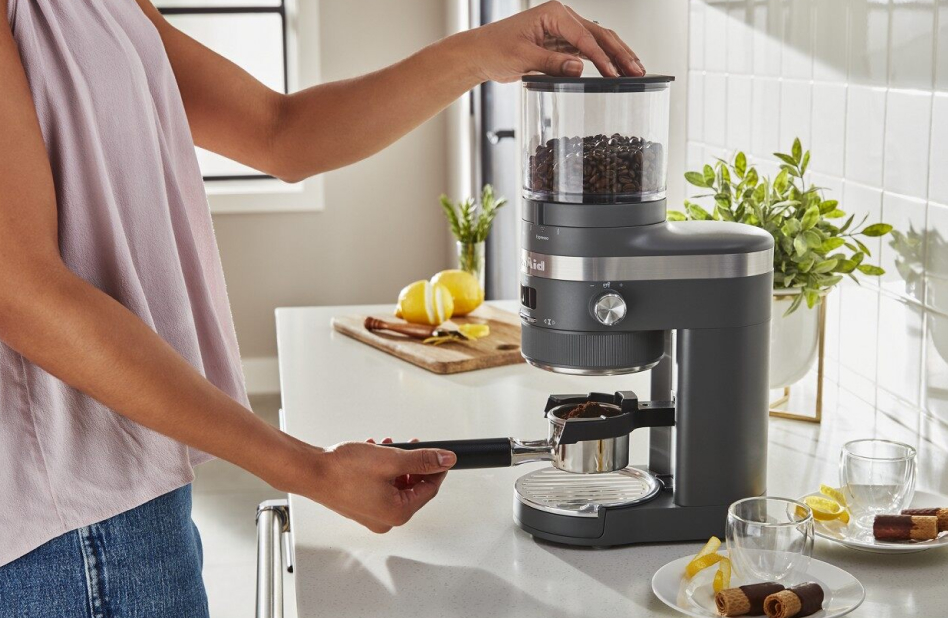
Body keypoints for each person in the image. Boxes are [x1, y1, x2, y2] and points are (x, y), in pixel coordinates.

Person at [0, 0, 643, 615]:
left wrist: (480, 53)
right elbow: (22, 291)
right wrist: (310, 471)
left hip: (136, 478)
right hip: (61, 526)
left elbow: (280, 133)